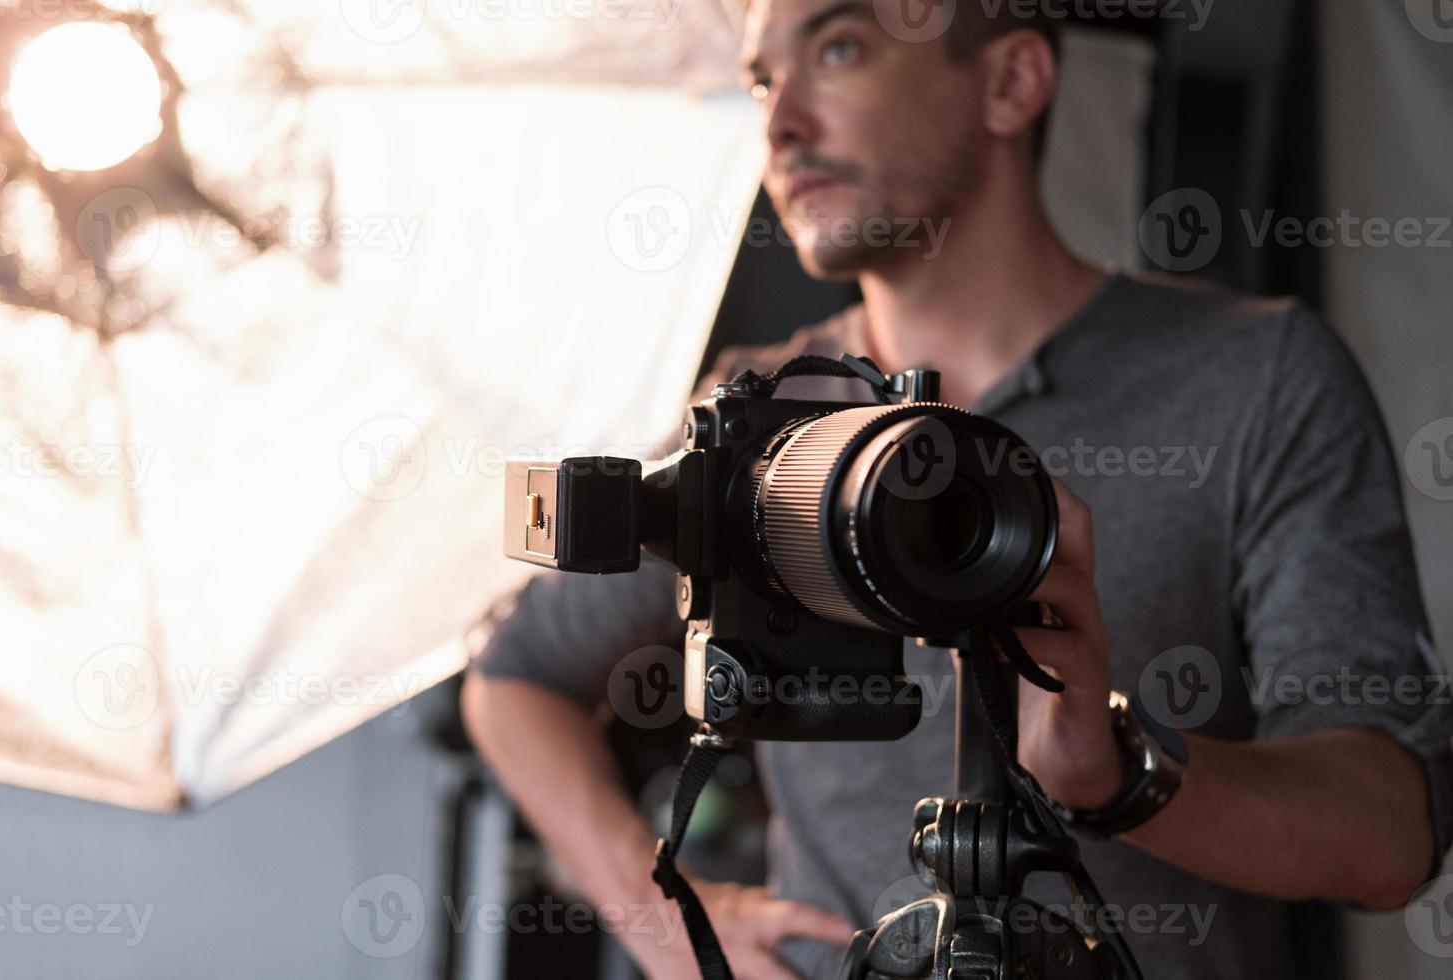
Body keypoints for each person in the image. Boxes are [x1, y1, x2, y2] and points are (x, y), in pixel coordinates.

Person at [463, 1, 1453, 976]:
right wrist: (666, 921)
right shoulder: (757, 421)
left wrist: (1117, 770)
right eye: (764, 76)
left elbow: (1392, 831)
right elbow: (513, 681)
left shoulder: (1254, 381)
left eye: (839, 46)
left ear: (1010, 81)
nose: (779, 121)